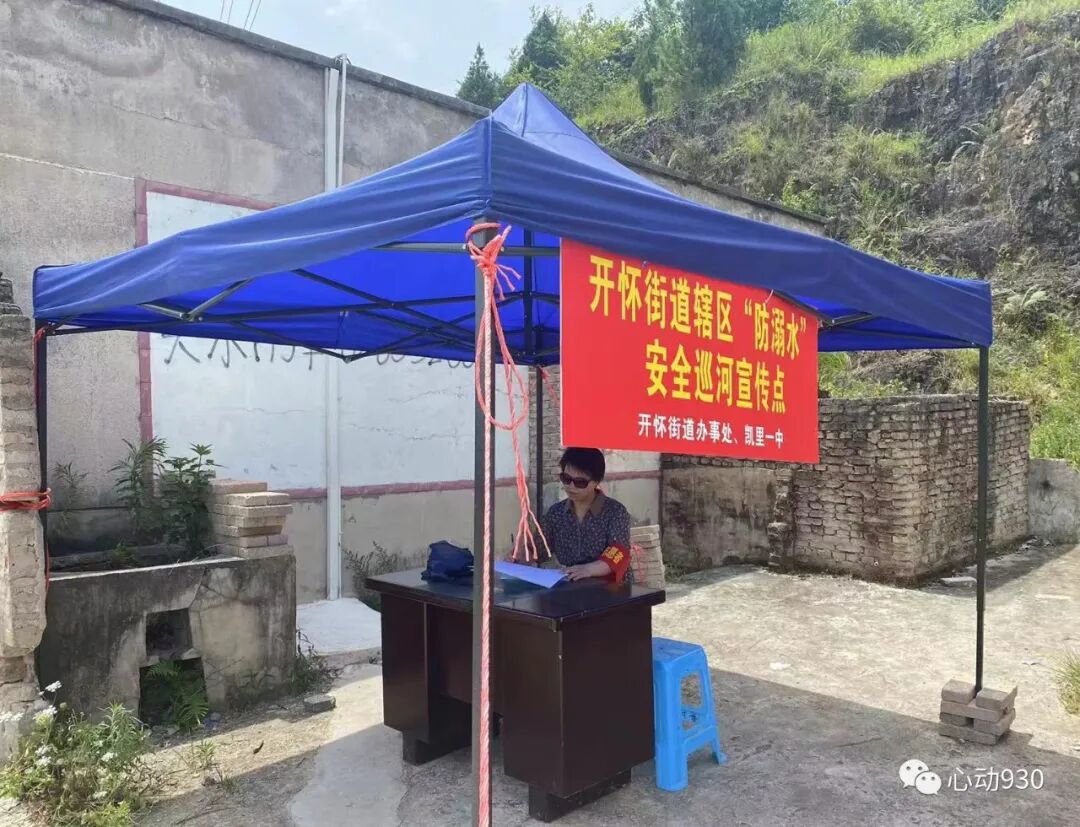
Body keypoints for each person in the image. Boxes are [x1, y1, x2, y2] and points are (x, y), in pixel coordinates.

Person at [540, 447, 634, 583]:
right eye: (566, 479)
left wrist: (588, 569)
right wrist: (521, 554)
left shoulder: (615, 512)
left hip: (612, 587)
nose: (571, 486)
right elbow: (539, 548)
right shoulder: (556, 513)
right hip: (572, 584)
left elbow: (618, 551)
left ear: (596, 481)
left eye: (580, 482)